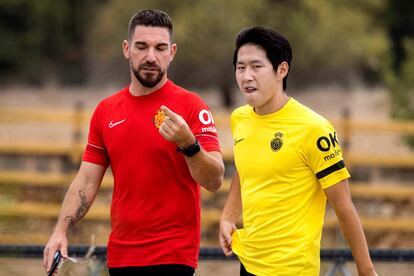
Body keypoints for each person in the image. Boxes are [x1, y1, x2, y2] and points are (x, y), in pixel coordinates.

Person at [43, 9, 224, 276]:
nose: (151, 56)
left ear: (172, 52)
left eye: (160, 47)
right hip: (121, 256)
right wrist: (60, 230)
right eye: (142, 46)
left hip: (173, 256)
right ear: (126, 49)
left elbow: (215, 180)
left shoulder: (190, 106)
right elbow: (86, 181)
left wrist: (190, 145)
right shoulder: (106, 111)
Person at [219, 26, 377, 276]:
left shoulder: (314, 128)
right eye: (241, 67)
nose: (246, 76)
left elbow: (343, 206)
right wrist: (228, 215)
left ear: (282, 69)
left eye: (256, 67)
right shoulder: (240, 119)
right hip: (248, 263)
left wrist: (366, 270)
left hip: (293, 268)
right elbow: (244, 168)